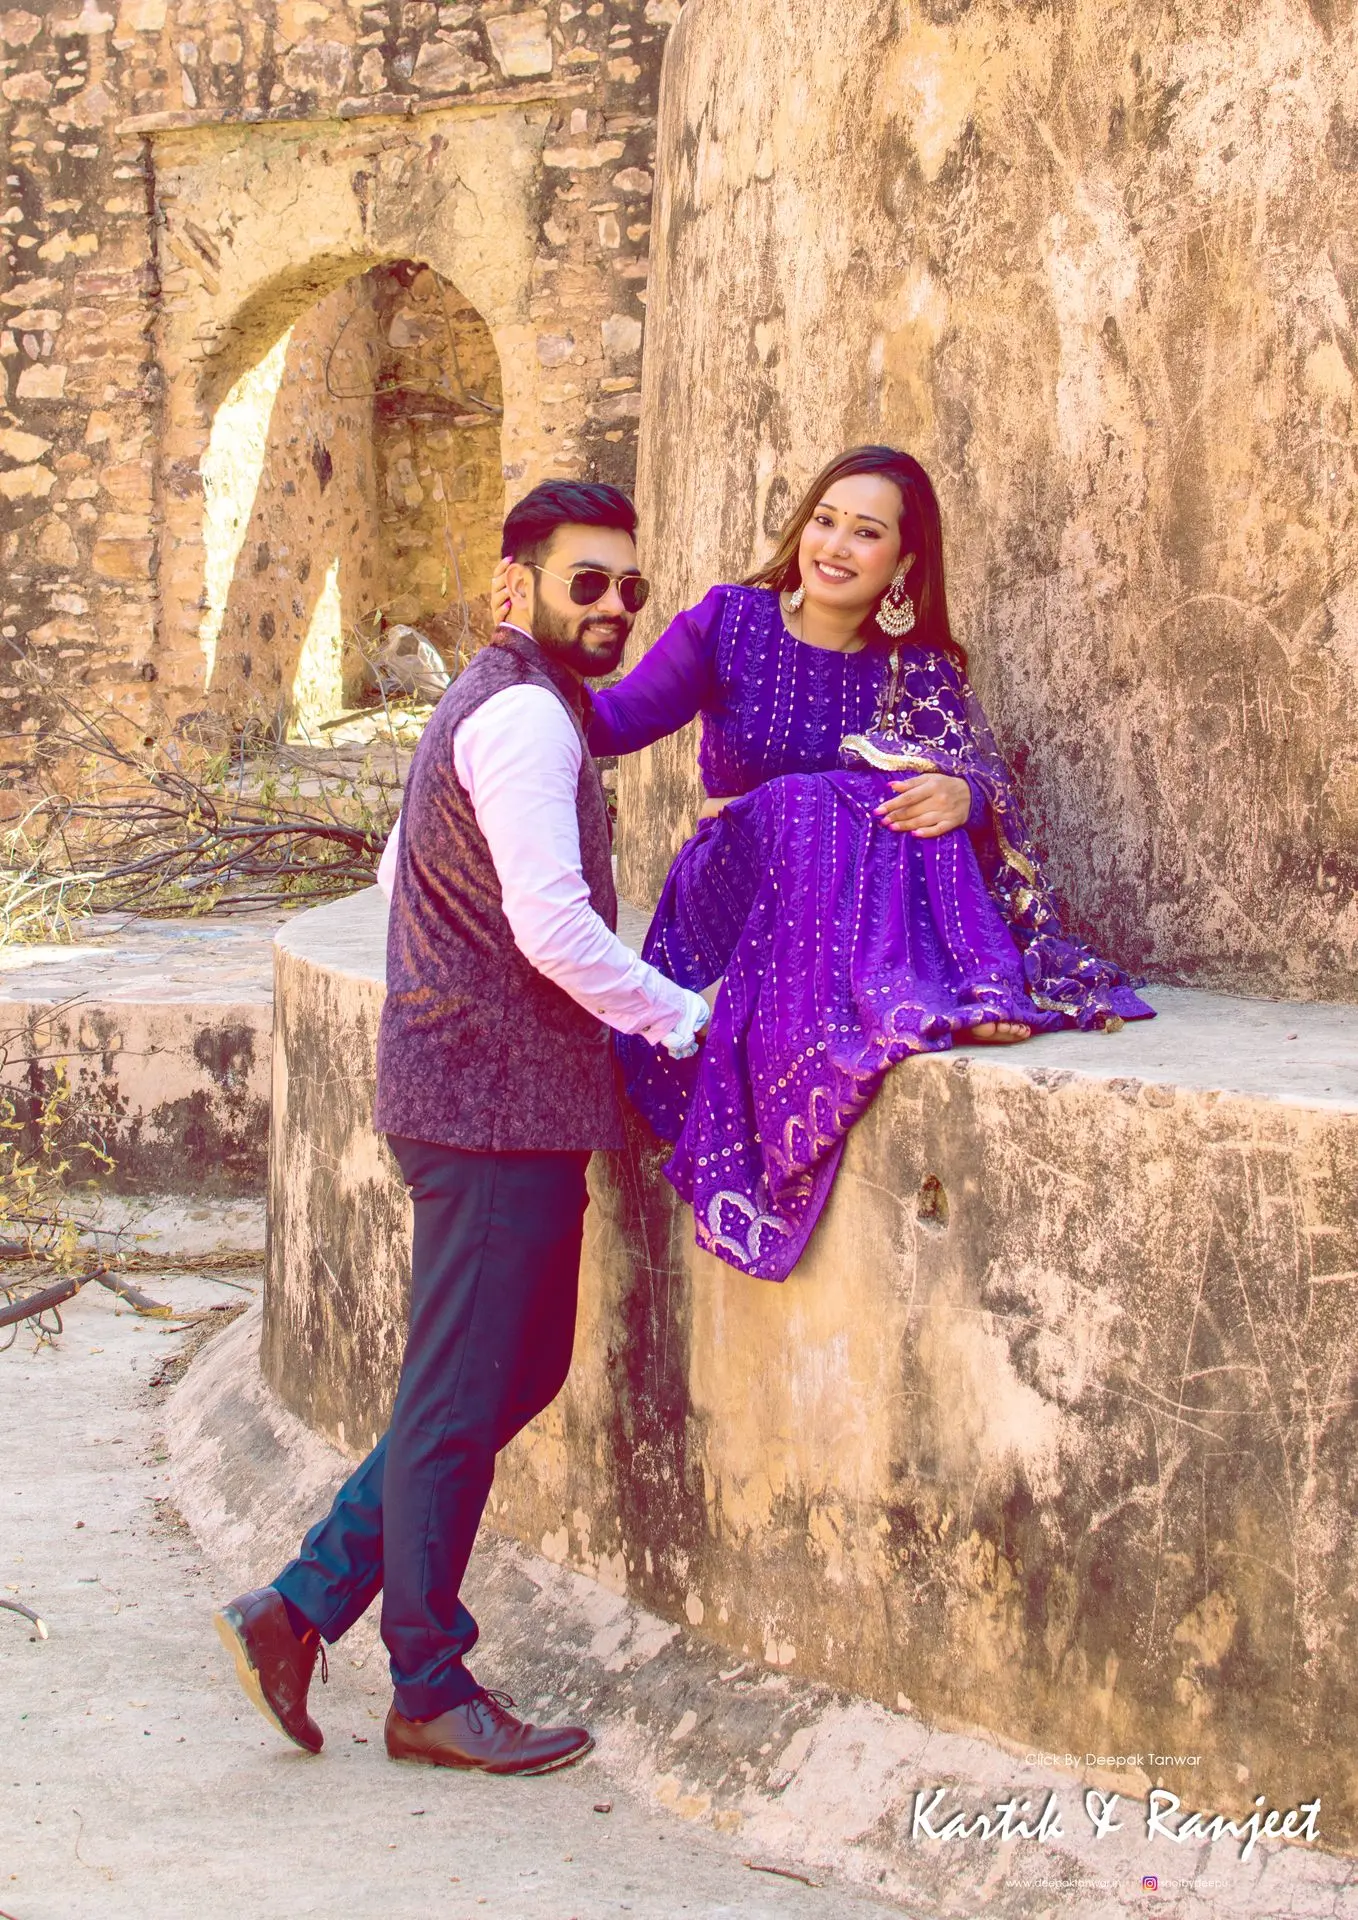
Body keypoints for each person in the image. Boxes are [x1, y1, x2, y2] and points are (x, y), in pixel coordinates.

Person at [213, 481, 710, 1775]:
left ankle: (302, 1607)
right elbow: (550, 927)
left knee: (510, 1374)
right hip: (490, 1115)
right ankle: (425, 1684)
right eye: (582, 582)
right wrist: (681, 1021)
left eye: (626, 588)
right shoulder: (530, 723)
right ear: (515, 587)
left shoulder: (484, 705)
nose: (609, 608)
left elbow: (399, 877)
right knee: (454, 1401)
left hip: (489, 1104)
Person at [494, 446, 1154, 1283]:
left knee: (921, 794)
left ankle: (954, 992)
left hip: (851, 921)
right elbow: (611, 723)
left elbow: (989, 785)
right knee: (813, 798)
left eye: (865, 533)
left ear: (903, 562)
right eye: (825, 520)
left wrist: (964, 796)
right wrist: (506, 668)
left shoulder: (916, 671)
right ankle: (915, 998)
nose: (835, 546)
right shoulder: (730, 623)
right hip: (733, 903)